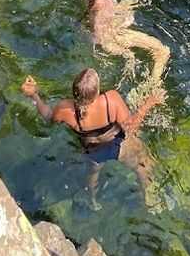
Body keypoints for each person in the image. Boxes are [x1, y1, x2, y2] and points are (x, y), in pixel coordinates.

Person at [21, 68, 163, 184]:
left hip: (93, 153)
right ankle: (151, 205)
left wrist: (34, 95)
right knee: (142, 168)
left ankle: (92, 201)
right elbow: (131, 128)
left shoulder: (65, 109)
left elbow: (48, 116)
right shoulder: (111, 100)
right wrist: (148, 104)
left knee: (92, 180)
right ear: (97, 91)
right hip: (118, 146)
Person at [82, 0, 170, 84]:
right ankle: (152, 88)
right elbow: (100, 33)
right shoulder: (101, 1)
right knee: (162, 51)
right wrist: (122, 50)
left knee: (134, 1)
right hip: (110, 35)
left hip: (108, 23)